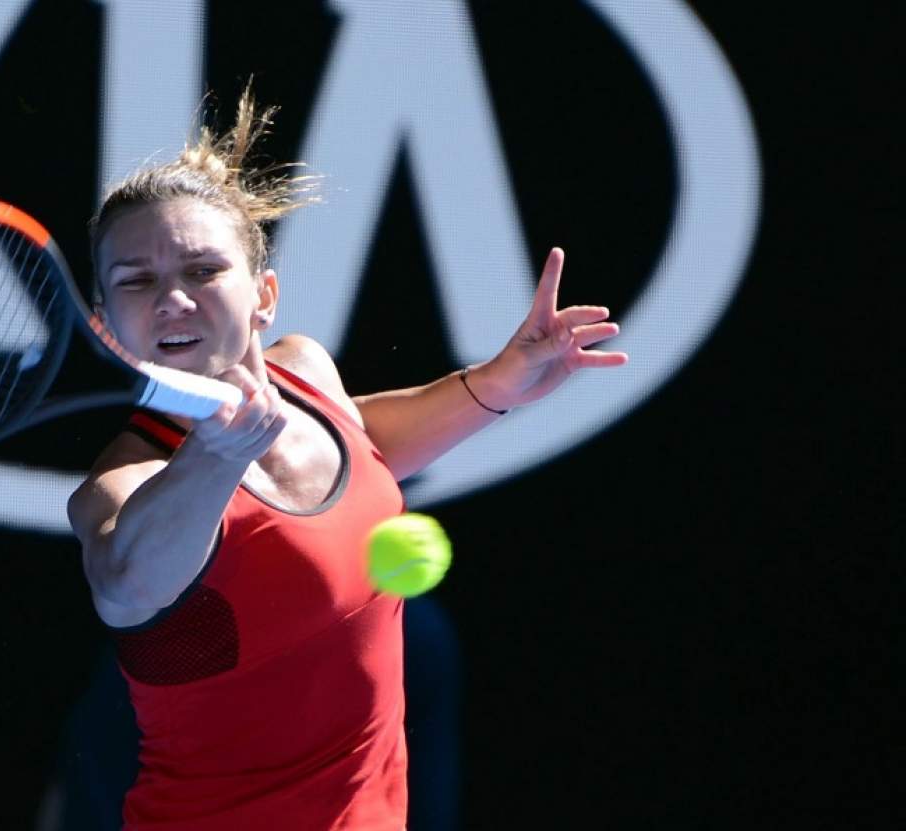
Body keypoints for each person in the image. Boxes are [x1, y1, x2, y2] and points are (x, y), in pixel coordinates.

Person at [66, 86, 627, 831]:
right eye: (137, 281)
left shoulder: (305, 372)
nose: (172, 298)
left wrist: (496, 385)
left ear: (264, 297)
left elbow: (364, 444)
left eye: (203, 270)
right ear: (106, 327)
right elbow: (128, 582)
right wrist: (216, 455)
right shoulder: (122, 484)